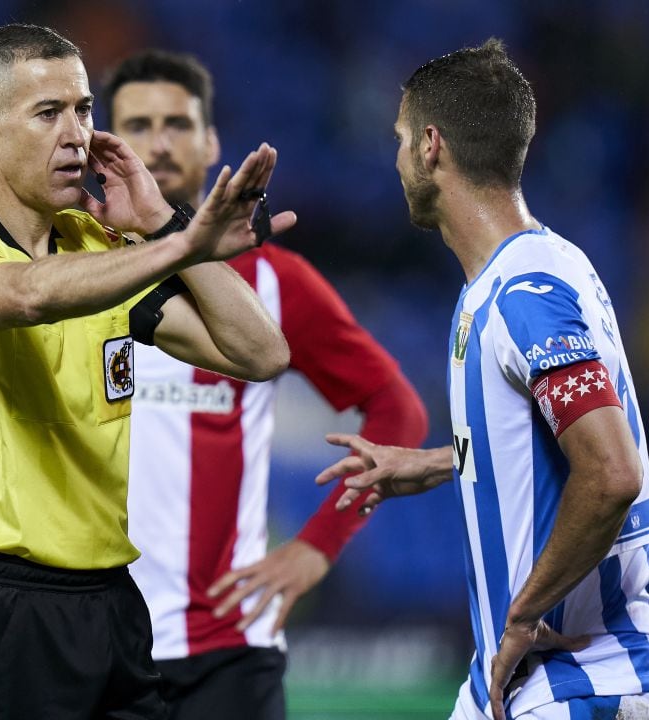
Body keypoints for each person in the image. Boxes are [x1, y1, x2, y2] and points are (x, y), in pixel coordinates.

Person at [0, 23, 297, 720]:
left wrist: (173, 230)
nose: (76, 133)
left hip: (110, 598)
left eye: (83, 109)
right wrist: (178, 246)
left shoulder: (98, 248)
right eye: (48, 114)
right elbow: (26, 295)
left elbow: (261, 354)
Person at [316, 39, 649, 720]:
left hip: (573, 682)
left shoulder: (524, 295)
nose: (393, 161)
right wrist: (428, 464)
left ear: (430, 146)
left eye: (398, 140)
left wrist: (523, 613)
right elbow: (540, 448)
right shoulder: (535, 272)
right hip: (515, 686)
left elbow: (610, 471)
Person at [103, 49, 429, 719]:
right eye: (137, 125)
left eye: (178, 123)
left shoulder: (275, 282)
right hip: (96, 646)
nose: (159, 143)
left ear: (211, 142)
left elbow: (397, 411)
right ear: (109, 147)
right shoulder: (71, 275)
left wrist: (318, 545)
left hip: (227, 654)